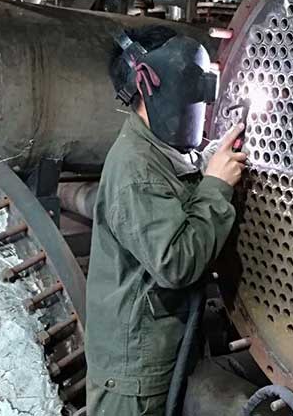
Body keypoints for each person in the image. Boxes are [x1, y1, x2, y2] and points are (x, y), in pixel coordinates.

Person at [85, 25, 246, 415]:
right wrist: (216, 186)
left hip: (163, 351)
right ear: (149, 85)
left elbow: (180, 184)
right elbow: (176, 263)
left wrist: (210, 161)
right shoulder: (135, 168)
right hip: (134, 377)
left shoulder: (160, 148)